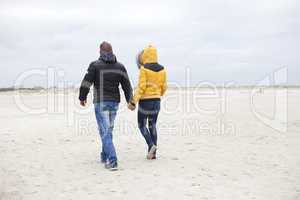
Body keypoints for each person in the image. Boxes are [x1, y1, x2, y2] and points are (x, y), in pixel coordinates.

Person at [79, 41, 132, 171]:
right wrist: (130, 100)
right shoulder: (120, 66)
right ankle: (104, 155)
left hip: (101, 102)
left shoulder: (95, 65)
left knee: (105, 131)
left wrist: (82, 97)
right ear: (112, 51)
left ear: (100, 52)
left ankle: (112, 160)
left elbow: (86, 82)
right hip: (114, 102)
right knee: (108, 130)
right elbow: (127, 85)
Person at [128, 45, 167, 160]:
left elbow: (141, 87)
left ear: (145, 56)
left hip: (145, 101)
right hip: (157, 101)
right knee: (152, 125)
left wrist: (133, 101)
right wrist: (158, 94)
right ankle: (153, 154)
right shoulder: (163, 69)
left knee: (141, 124)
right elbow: (164, 87)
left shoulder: (144, 69)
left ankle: (151, 145)